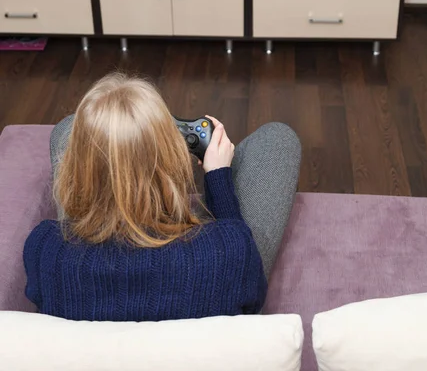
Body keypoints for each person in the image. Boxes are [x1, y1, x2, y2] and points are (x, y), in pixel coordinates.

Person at [23, 73, 301, 322]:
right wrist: (217, 178)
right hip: (216, 274)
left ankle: (114, 157)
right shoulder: (229, 252)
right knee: (278, 139)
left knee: (70, 128)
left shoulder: (44, 249)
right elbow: (249, 285)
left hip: (84, 275)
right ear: (174, 164)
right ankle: (143, 144)